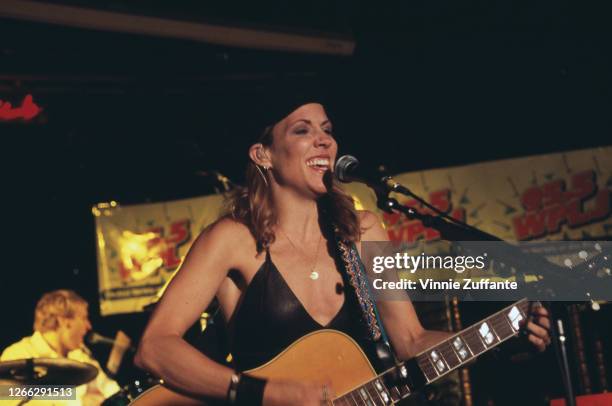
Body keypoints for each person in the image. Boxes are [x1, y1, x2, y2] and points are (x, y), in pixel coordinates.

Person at [135, 97, 551, 405]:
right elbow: (155, 348)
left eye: (327, 130)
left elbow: (410, 340)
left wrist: (501, 337)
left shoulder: (363, 230)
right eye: (303, 131)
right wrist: (263, 392)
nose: (324, 142)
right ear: (263, 154)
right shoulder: (232, 239)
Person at [1, 289, 121, 406]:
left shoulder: (80, 355)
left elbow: (110, 389)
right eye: (84, 318)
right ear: (64, 321)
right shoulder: (18, 354)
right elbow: (6, 397)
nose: (88, 326)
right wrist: (76, 402)